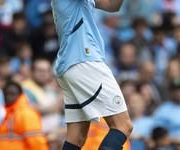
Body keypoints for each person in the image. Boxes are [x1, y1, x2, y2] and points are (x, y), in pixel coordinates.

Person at [51, 0, 133, 150]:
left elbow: (112, 6)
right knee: (123, 126)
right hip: (85, 61)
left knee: (76, 138)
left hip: (71, 66)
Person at [0, 81, 49, 150]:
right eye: (6, 94)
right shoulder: (9, 114)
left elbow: (36, 141)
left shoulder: (26, 113)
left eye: (12, 94)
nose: (8, 97)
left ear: (20, 95)